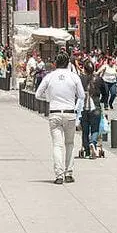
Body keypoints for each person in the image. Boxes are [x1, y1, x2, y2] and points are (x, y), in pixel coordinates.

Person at [35, 52, 85, 184]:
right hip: (69, 112)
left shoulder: (49, 77)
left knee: (57, 145)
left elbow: (37, 94)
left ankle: (59, 174)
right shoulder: (74, 77)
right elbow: (81, 95)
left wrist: (49, 98)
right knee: (69, 143)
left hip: (55, 112)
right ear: (68, 63)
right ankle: (69, 173)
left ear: (55, 64)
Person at [79, 61, 103, 159]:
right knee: (95, 128)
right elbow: (105, 92)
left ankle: (87, 150)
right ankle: (93, 142)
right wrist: (103, 101)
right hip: (96, 106)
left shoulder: (80, 79)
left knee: (85, 130)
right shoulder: (99, 79)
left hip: (84, 107)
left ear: (84, 69)